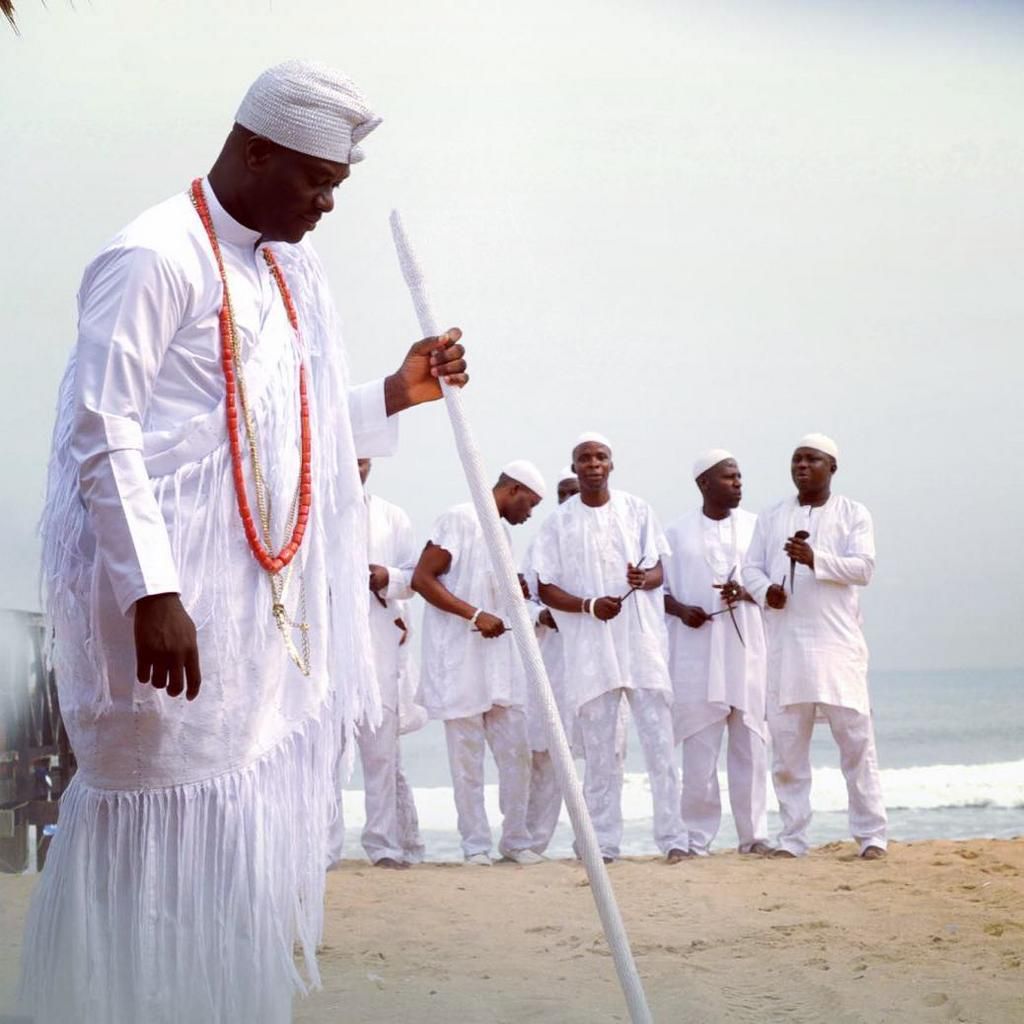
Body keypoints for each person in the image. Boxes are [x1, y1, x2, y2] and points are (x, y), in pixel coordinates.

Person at [23, 60, 468, 1024]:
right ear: (256, 150)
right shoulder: (154, 255)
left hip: (257, 620)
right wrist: (152, 592)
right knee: (157, 834)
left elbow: (284, 429)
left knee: (239, 855)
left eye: (337, 187)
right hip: (165, 618)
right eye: (317, 182)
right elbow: (105, 429)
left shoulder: (284, 269)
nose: (326, 205)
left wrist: (393, 392)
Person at [533, 433, 687, 864]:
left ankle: (673, 838)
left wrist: (644, 579)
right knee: (601, 755)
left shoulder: (637, 510)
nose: (594, 464)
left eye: (601, 457)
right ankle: (602, 844)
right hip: (591, 652)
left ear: (612, 465)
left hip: (641, 645)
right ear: (574, 466)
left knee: (660, 746)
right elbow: (543, 585)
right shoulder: (558, 523)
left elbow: (658, 567)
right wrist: (587, 606)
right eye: (585, 458)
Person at [743, 434, 887, 860]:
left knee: (857, 745)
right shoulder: (770, 517)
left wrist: (815, 559)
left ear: (832, 468)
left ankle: (872, 835)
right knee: (788, 751)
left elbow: (864, 569)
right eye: (796, 460)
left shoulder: (853, 513)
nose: (802, 466)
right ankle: (793, 838)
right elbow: (750, 567)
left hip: (837, 646)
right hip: (787, 647)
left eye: (812, 460)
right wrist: (765, 590)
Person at [412, 461, 547, 866]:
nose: (530, 514)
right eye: (531, 504)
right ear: (514, 490)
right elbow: (422, 579)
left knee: (515, 753)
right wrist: (475, 615)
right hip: (459, 661)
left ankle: (516, 841)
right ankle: (475, 847)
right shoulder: (460, 517)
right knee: (467, 762)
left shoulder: (501, 531)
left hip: (498, 664)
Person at [663, 450, 771, 857]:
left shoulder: (758, 529)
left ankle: (754, 836)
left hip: (748, 651)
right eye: (729, 477)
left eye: (740, 476)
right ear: (704, 484)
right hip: (697, 650)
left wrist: (746, 592)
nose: (738, 483)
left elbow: (774, 585)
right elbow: (659, 591)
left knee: (751, 745)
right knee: (699, 750)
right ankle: (695, 839)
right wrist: (681, 610)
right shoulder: (675, 534)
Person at [327, 457, 425, 869]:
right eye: (350, 458)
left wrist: (387, 576)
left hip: (380, 645)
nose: (357, 466)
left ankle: (383, 844)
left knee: (381, 755)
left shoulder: (392, 516)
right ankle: (325, 847)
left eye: (364, 460)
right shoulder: (314, 513)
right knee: (325, 756)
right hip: (330, 651)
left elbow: (415, 576)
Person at [521, 465, 580, 854]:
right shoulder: (541, 542)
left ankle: (598, 845)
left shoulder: (614, 539)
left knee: (600, 756)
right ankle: (535, 843)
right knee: (546, 753)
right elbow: (521, 597)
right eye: (563, 493)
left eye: (574, 492)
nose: (569, 501)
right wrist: (540, 615)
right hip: (554, 662)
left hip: (598, 665)